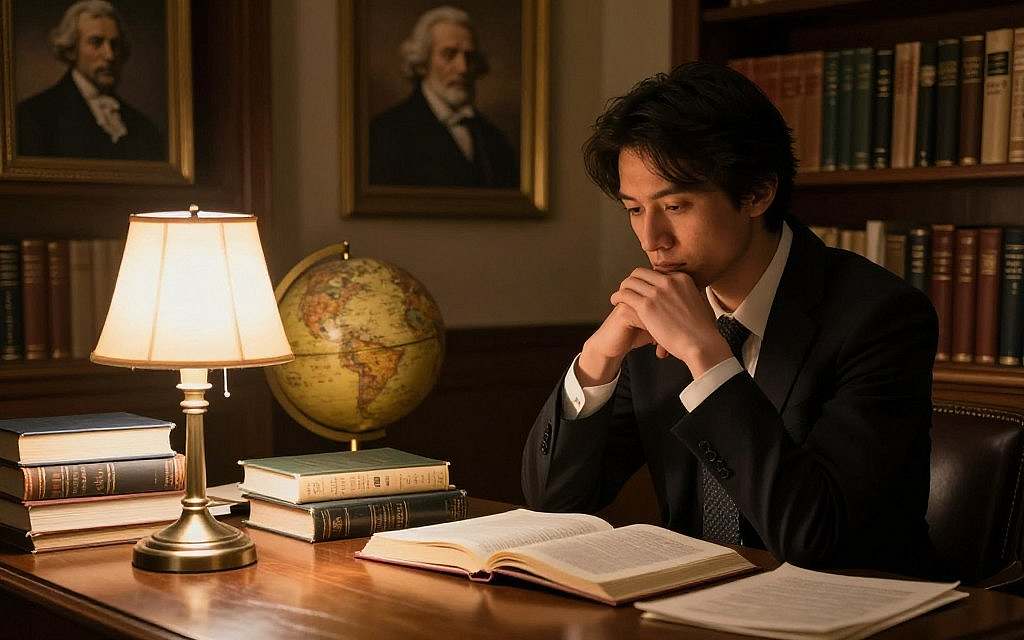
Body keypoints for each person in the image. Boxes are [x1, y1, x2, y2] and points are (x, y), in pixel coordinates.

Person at [521, 62, 939, 577]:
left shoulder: (880, 317)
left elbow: (817, 537)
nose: (652, 238)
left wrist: (708, 357)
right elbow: (554, 500)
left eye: (675, 206)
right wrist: (596, 361)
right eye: (634, 209)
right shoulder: (655, 314)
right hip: (694, 606)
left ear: (757, 194)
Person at [369, 6, 517, 188]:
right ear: (423, 62)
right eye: (449, 54)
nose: (463, 68)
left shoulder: (494, 140)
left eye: (469, 56)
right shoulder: (386, 132)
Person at [16, 0, 164, 161]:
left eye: (115, 44)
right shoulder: (33, 117)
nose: (110, 55)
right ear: (72, 49)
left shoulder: (144, 128)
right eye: (96, 42)